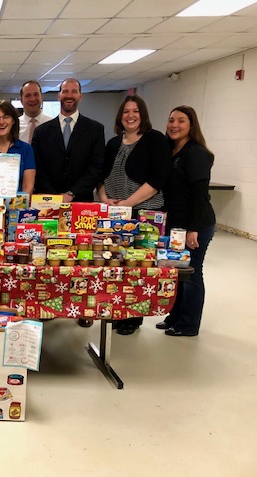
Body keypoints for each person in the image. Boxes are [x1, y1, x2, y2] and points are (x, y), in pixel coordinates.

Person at [32, 77, 105, 328]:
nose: (69, 95)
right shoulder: (42, 131)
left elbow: (96, 168)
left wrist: (71, 194)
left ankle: (84, 309)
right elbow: (37, 168)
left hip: (82, 204)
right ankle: (50, 304)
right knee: (52, 258)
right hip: (50, 206)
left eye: (74, 91)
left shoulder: (95, 129)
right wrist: (55, 198)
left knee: (81, 260)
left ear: (80, 96)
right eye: (65, 91)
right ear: (59, 96)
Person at [97, 95, 171, 335]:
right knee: (117, 264)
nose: (130, 115)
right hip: (117, 213)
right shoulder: (112, 143)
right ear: (120, 116)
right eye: (126, 111)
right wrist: (105, 199)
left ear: (143, 114)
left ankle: (134, 316)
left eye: (135, 111)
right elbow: (101, 176)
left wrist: (128, 204)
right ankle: (119, 310)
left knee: (139, 267)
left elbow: (158, 179)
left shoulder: (155, 140)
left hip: (144, 214)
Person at [156, 106, 216, 337]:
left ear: (192, 125)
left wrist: (193, 229)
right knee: (178, 273)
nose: (174, 125)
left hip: (196, 224)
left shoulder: (196, 153)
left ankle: (189, 324)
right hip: (176, 225)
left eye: (181, 121)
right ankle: (175, 316)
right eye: (171, 120)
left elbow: (200, 195)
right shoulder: (171, 151)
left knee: (191, 273)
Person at [18, 80, 52, 144]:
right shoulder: (14, 126)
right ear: (21, 100)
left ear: (41, 97)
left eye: (36, 94)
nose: (32, 99)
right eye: (28, 95)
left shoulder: (53, 125)